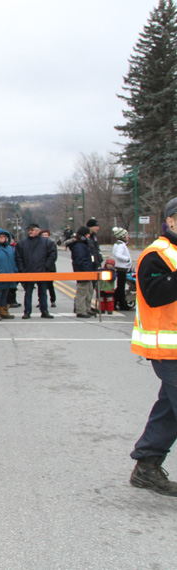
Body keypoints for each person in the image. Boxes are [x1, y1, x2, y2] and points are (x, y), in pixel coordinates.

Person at [128, 196, 177, 496]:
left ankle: (146, 466)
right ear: (170, 220)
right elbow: (156, 294)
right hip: (168, 351)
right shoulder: (156, 254)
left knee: (169, 410)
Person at [14, 223, 56, 319]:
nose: (30, 231)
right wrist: (22, 269)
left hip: (42, 271)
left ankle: (44, 310)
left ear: (38, 231)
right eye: (29, 230)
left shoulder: (47, 243)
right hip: (28, 272)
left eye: (32, 230)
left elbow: (53, 255)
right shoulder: (22, 243)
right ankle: (27, 311)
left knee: (43, 293)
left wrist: (47, 267)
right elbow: (18, 257)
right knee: (28, 293)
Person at [66, 226, 95, 318]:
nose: (88, 236)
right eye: (87, 234)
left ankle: (87, 308)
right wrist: (86, 270)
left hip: (88, 271)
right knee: (82, 291)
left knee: (88, 290)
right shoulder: (79, 246)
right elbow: (80, 260)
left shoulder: (83, 244)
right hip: (82, 272)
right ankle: (81, 310)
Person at [112, 227, 134, 311]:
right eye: (126, 235)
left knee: (121, 286)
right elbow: (118, 255)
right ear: (123, 236)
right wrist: (127, 259)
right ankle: (116, 302)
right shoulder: (120, 245)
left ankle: (121, 303)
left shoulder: (119, 244)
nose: (128, 236)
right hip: (122, 268)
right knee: (120, 287)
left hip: (122, 268)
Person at [39, 229, 58, 308]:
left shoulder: (51, 244)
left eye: (46, 235)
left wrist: (47, 265)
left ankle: (52, 300)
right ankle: (41, 301)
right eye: (43, 235)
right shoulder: (38, 245)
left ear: (49, 236)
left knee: (50, 285)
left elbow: (53, 256)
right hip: (40, 268)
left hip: (50, 268)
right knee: (41, 286)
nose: (44, 237)